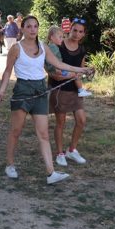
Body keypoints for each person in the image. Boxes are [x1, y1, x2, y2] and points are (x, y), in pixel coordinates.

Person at [0, 15, 92, 185]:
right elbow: (8, 71)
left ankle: (50, 172)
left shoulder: (43, 47)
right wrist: (2, 90)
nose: (33, 29)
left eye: (35, 26)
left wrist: (82, 70)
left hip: (40, 91)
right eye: (29, 26)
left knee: (44, 134)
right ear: (22, 29)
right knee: (16, 131)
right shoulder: (16, 48)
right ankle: (10, 165)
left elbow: (60, 65)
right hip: (23, 91)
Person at [48, 18, 91, 167]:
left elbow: (81, 68)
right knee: (61, 122)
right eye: (75, 30)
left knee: (81, 120)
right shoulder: (58, 46)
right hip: (59, 89)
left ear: (84, 34)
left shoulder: (82, 49)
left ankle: (72, 150)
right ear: (69, 29)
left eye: (80, 32)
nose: (77, 34)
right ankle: (60, 153)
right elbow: (52, 71)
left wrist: (87, 72)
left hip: (75, 89)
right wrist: (71, 75)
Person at [45, 26, 92, 98]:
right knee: (75, 74)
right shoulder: (53, 47)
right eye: (60, 37)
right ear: (52, 37)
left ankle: (80, 90)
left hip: (56, 69)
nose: (62, 39)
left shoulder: (51, 46)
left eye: (62, 37)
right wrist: (57, 70)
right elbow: (52, 61)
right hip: (57, 69)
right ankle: (80, 90)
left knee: (74, 74)